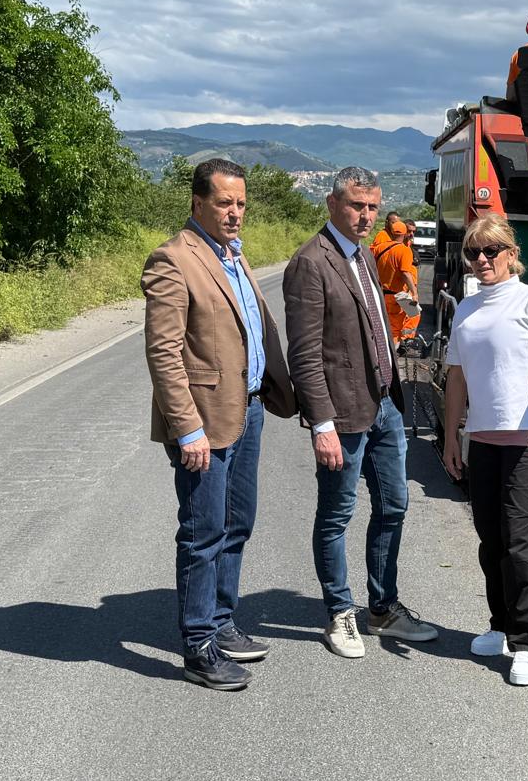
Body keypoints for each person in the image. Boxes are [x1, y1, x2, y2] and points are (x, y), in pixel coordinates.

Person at [142, 158, 297, 690]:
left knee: (238, 523)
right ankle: (199, 645)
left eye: (241, 204)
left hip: (247, 409)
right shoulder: (172, 260)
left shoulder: (232, 256)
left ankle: (223, 621)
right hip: (204, 422)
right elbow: (164, 354)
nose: (235, 214)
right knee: (203, 532)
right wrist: (187, 429)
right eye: (225, 203)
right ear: (197, 204)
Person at [284, 166, 438, 658]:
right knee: (337, 515)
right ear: (332, 205)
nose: (366, 215)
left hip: (384, 407)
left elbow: (377, 327)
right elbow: (305, 354)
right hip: (343, 417)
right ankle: (340, 613)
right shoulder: (311, 263)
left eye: (372, 206)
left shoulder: (366, 257)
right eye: (356, 205)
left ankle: (383, 608)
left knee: (394, 504)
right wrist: (321, 425)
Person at [441, 213, 528, 686]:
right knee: (490, 539)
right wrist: (450, 435)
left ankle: (527, 643)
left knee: (521, 543)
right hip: (483, 437)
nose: (481, 260)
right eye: (473, 253)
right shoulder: (465, 309)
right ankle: (499, 625)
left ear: (511, 255)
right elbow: (455, 377)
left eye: (490, 251)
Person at [373, 213, 421, 351]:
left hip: (382, 293)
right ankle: (392, 355)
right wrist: (414, 292)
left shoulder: (379, 248)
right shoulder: (404, 250)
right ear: (404, 233)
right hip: (399, 296)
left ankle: (385, 349)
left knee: (383, 324)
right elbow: (405, 273)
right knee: (400, 324)